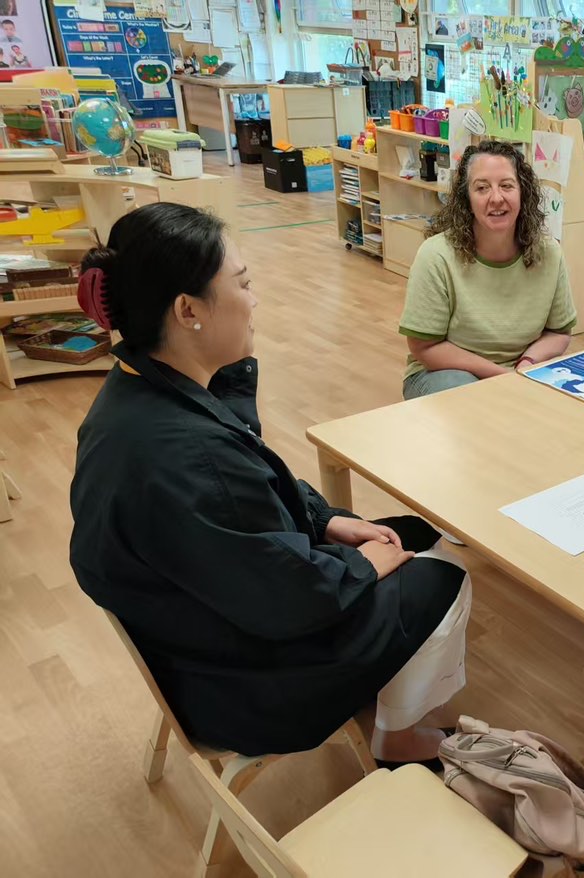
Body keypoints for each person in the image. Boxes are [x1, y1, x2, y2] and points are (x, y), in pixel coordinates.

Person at [70, 203, 470, 765]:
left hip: (198, 635)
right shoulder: (190, 454)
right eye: (243, 283)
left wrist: (326, 521)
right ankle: (397, 740)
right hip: (247, 683)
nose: (254, 300)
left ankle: (387, 692)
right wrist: (361, 567)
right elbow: (287, 595)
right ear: (188, 310)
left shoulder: (139, 392)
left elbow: (252, 499)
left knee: (408, 532)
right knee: (446, 573)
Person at [398, 139, 577, 399]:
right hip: (443, 373)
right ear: (466, 199)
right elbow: (424, 347)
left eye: (507, 185)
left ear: (523, 191)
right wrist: (503, 377)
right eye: (482, 188)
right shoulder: (436, 256)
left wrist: (527, 363)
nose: (496, 198)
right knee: (480, 402)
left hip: (520, 373)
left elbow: (559, 332)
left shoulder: (549, 252)